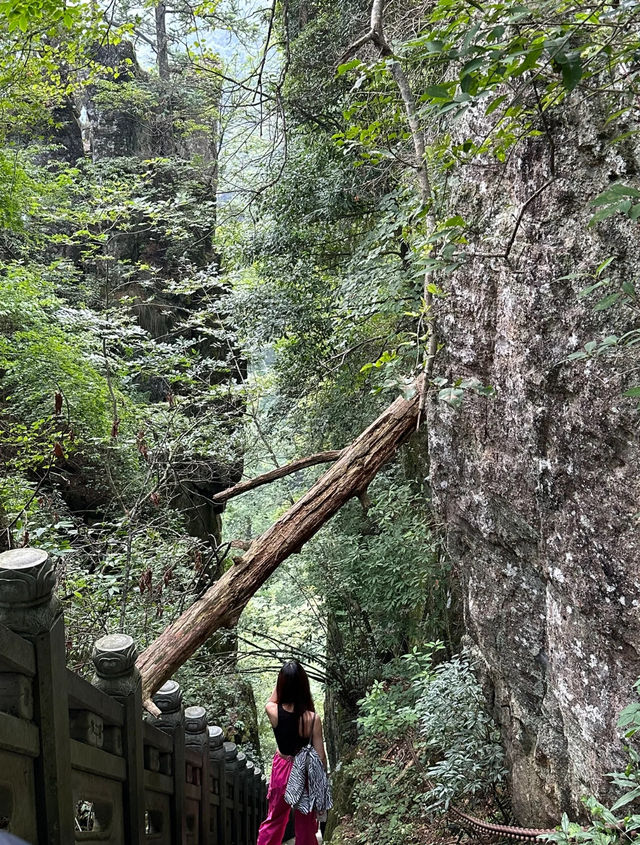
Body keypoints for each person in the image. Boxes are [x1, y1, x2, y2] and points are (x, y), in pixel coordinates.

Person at [257, 660, 327, 845]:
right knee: (306, 824)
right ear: (304, 686)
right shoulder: (313, 719)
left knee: (275, 818)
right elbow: (321, 757)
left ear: (281, 685)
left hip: (282, 769)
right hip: (304, 771)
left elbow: (273, 699)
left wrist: (284, 679)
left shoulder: (273, 711)